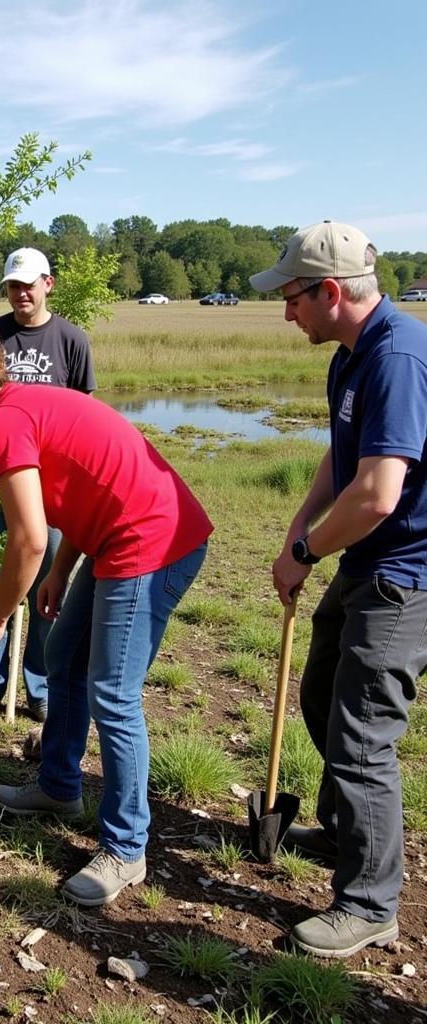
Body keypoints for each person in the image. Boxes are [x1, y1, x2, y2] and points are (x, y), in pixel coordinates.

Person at [0, 325, 212, 906]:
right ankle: (59, 786)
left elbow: (25, 541)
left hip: (153, 542)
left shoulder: (3, 422)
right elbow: (80, 490)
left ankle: (126, 849)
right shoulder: (18, 406)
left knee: (113, 693)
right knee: (63, 656)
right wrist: (60, 570)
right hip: (110, 538)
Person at [252, 220, 427, 958]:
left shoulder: (398, 358)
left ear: (330, 292)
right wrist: (300, 521)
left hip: (407, 573)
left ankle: (369, 902)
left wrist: (304, 551)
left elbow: (380, 493)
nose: (285, 312)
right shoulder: (350, 356)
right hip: (366, 564)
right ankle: (346, 831)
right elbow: (344, 456)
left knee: (361, 734)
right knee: (322, 693)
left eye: (291, 297)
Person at [0, 246, 96, 722]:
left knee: (46, 584)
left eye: (29, 284)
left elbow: (83, 416)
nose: (21, 293)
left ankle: (40, 686)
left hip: (49, 488)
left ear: (48, 283)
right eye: (13, 285)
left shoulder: (72, 340)